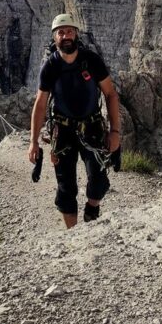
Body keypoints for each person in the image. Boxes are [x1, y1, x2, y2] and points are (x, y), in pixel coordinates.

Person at [28, 14, 121, 228]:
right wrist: (33, 141)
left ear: (77, 34)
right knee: (65, 187)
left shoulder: (91, 61)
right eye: (61, 32)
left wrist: (115, 132)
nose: (66, 36)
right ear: (55, 38)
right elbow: (40, 104)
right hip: (62, 130)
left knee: (98, 180)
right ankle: (74, 237)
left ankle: (92, 208)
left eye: (69, 31)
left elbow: (111, 95)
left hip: (92, 126)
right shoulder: (50, 67)